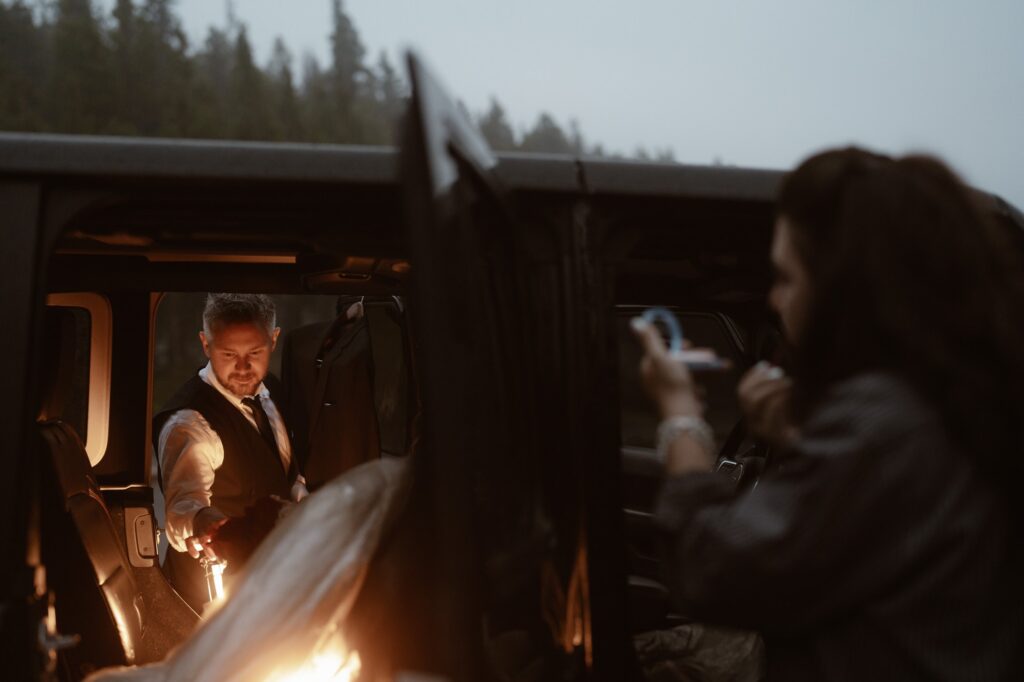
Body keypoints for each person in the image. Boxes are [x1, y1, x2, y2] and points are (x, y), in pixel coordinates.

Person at [633, 148, 1024, 680]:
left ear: (846, 289)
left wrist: (680, 416)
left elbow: (713, 573)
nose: (773, 300)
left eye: (786, 277)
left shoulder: (883, 421)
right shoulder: (944, 407)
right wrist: (798, 441)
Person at [153, 293, 308, 611]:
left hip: (270, 585)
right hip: (209, 601)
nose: (243, 367)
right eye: (228, 354)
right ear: (205, 344)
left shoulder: (272, 392)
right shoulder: (191, 421)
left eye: (255, 352)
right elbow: (184, 508)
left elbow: (285, 474)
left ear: (274, 339)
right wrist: (201, 520)